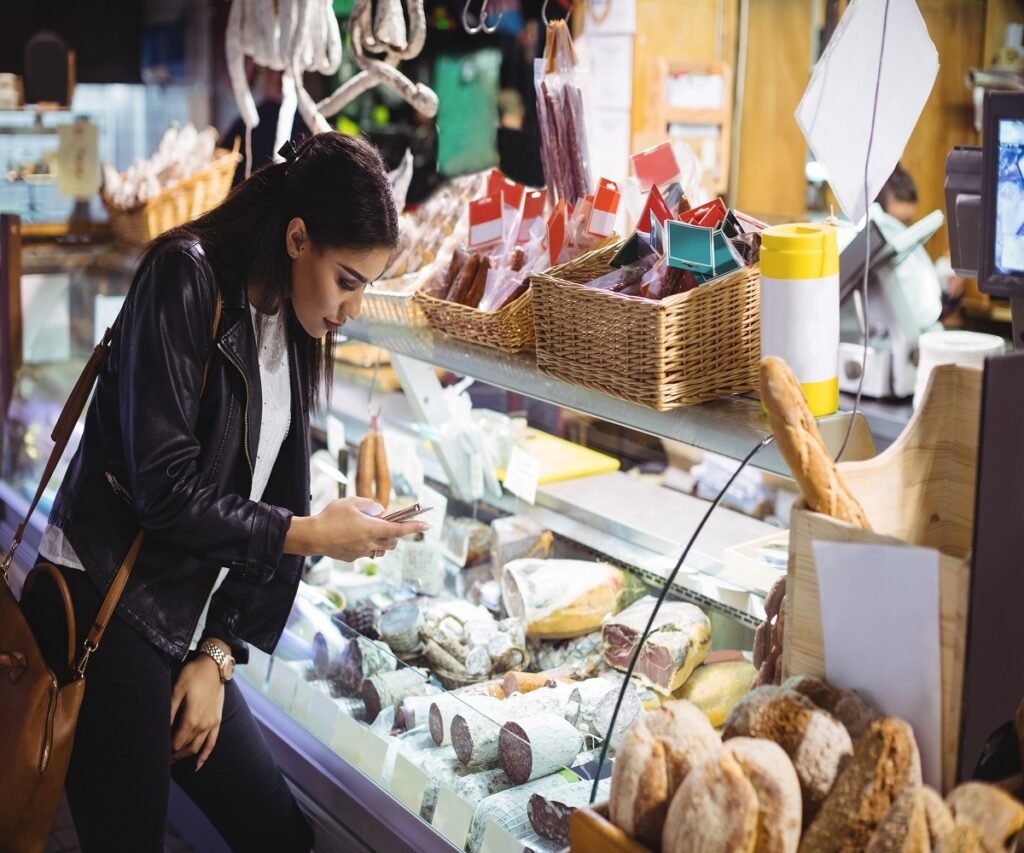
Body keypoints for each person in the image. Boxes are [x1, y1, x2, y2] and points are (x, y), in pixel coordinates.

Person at [21, 132, 428, 853]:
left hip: (185, 625)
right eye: (347, 280)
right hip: (108, 613)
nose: (352, 309)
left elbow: (264, 490)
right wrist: (310, 532)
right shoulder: (185, 276)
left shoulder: (295, 325)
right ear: (298, 237)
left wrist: (215, 653)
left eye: (365, 286)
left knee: (280, 834)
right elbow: (167, 491)